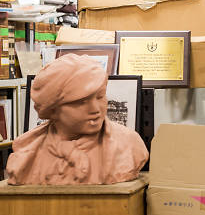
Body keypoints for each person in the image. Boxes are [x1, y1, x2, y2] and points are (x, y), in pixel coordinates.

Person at [5, 54, 148, 185]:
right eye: (81, 102)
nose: (95, 109)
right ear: (53, 110)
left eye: (100, 97)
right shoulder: (25, 153)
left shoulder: (129, 145)